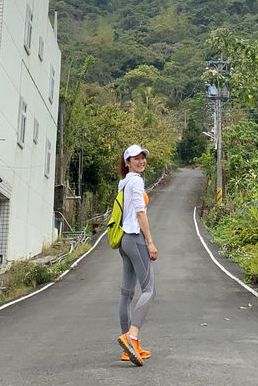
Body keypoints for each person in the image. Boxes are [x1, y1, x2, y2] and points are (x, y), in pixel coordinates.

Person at [116, 143, 157, 366]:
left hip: (123, 240)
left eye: (142, 157)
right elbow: (140, 213)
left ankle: (129, 349)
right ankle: (131, 337)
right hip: (135, 237)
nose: (141, 161)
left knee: (126, 294)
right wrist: (150, 242)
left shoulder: (123, 183)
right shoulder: (136, 181)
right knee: (150, 289)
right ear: (127, 162)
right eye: (135, 158)